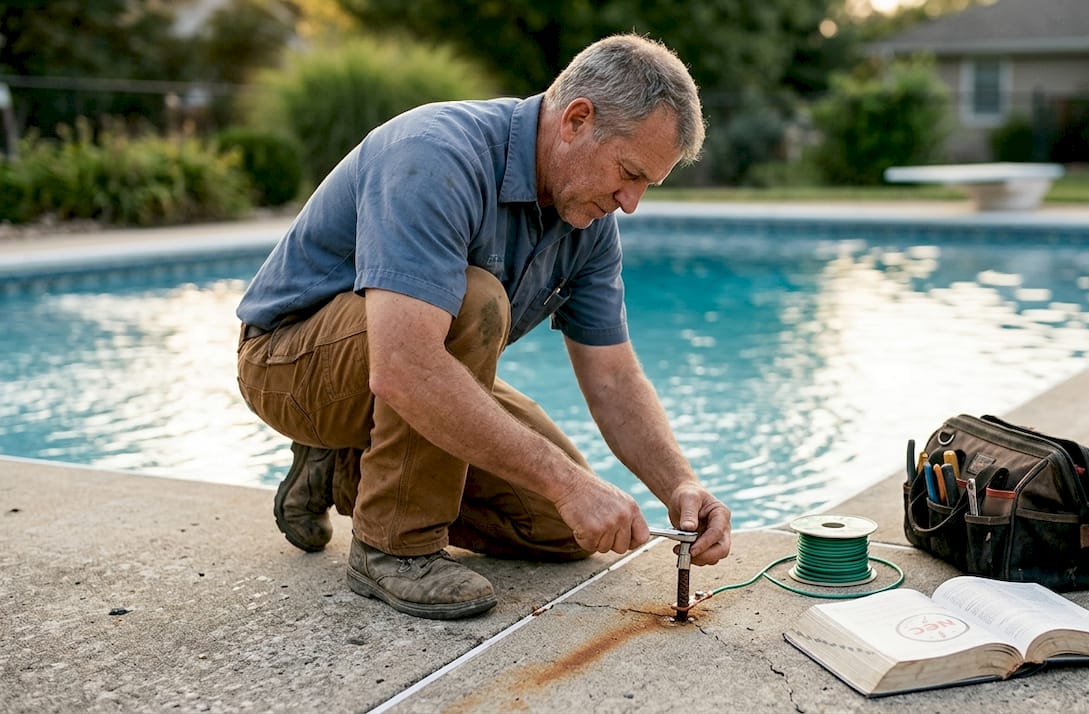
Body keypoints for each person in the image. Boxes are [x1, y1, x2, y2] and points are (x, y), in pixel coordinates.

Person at [235, 34, 733, 620]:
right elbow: (403, 366)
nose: (630, 203)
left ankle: (344, 466)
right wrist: (568, 483)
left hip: (412, 364)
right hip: (291, 362)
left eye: (647, 183)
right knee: (476, 301)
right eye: (628, 173)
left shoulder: (589, 223)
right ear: (576, 119)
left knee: (562, 527)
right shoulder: (437, 155)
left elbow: (614, 379)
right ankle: (393, 548)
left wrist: (680, 486)